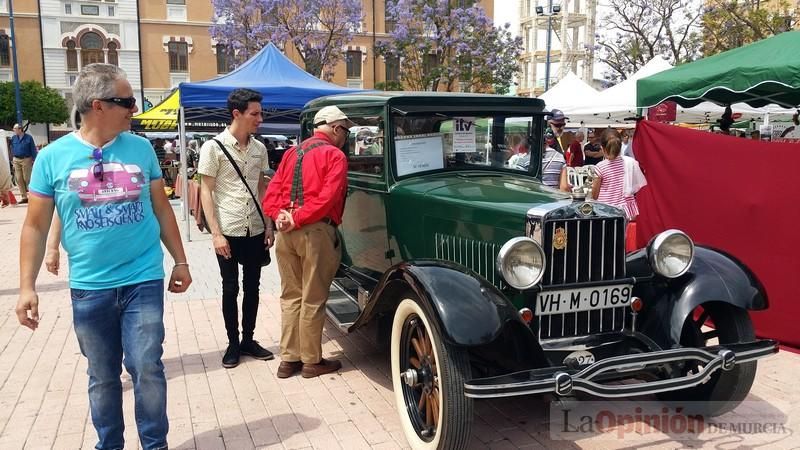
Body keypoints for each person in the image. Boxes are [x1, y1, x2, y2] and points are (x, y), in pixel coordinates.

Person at [15, 63, 192, 450]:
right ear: (98, 105)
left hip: (143, 278)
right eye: (126, 101)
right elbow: (33, 225)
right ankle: (109, 445)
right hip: (90, 287)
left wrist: (180, 260)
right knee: (103, 375)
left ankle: (154, 445)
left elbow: (162, 208)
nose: (134, 108)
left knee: (146, 367)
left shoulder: (141, 148)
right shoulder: (52, 157)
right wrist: (27, 286)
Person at [262, 105, 350, 379]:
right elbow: (327, 198)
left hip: (286, 233)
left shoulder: (291, 152)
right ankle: (312, 360)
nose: (346, 136)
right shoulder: (335, 155)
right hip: (315, 232)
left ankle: (288, 359)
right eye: (345, 130)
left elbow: (271, 193)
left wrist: (282, 217)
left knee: (290, 296)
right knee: (313, 296)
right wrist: (298, 217)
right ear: (336, 128)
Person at [198, 88, 275, 369]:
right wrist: (216, 233)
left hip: (254, 227)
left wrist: (268, 224)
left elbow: (261, 187)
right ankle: (232, 342)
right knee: (230, 288)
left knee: (252, 287)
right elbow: (206, 191)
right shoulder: (213, 147)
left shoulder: (259, 149)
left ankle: (248, 340)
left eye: (260, 113)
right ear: (237, 114)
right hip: (228, 229)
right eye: (255, 113)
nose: (260, 119)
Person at [591, 129, 645, 220]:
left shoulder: (600, 167)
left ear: (602, 148)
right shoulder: (628, 162)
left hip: (606, 209)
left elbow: (595, 195)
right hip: (625, 210)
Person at [11, 123, 37, 204]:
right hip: (16, 159)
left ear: (20, 129)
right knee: (19, 179)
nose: (14, 130)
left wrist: (34, 159)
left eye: (15, 129)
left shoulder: (28, 138)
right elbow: (11, 147)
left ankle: (32, 196)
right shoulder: (13, 138)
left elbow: (33, 149)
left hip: (26, 159)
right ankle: (24, 197)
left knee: (27, 178)